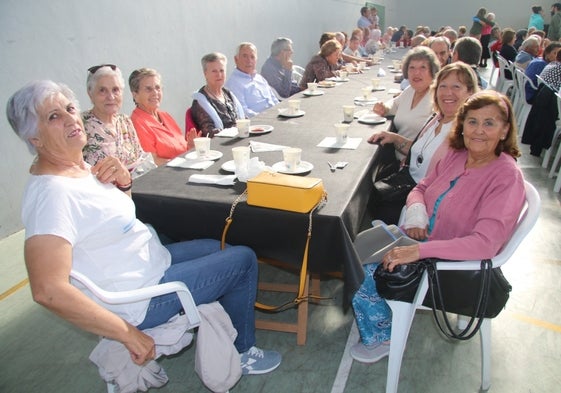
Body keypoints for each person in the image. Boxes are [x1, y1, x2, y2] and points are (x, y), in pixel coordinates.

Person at [6, 80, 282, 375]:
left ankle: (219, 330)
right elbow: (47, 290)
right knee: (243, 259)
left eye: (70, 108)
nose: (71, 119)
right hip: (141, 297)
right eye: (53, 117)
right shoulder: (51, 195)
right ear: (34, 138)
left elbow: (118, 221)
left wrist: (124, 183)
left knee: (221, 246)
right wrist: (126, 332)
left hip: (149, 265)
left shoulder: (78, 168)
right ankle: (242, 353)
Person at [350, 90, 525, 363]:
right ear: (462, 125)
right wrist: (417, 212)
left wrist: (419, 251)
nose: (479, 131)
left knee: (368, 274)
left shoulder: (506, 176)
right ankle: (385, 316)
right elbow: (421, 187)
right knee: (358, 246)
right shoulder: (457, 155)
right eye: (472, 122)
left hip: (455, 267)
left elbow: (485, 244)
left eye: (489, 123)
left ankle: (381, 337)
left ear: (504, 131)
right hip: (426, 242)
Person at [367, 63, 479, 224]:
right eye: (443, 86)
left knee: (376, 202)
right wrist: (395, 138)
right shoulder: (436, 118)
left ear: (470, 92)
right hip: (407, 182)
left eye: (456, 86)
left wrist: (417, 201)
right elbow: (421, 152)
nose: (448, 92)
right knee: (370, 189)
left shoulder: (466, 131)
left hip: (424, 197)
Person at [82, 64, 156, 179]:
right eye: (102, 90)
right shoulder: (81, 125)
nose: (110, 97)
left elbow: (142, 159)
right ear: (90, 94)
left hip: (135, 189)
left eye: (115, 90)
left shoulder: (125, 121)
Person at [372, 47, 440, 154]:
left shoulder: (437, 99)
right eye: (412, 68)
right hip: (398, 159)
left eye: (423, 67)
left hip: (414, 166)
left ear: (432, 71)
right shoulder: (410, 91)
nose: (416, 73)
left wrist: (396, 139)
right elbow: (394, 104)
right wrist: (384, 107)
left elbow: (431, 149)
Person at [129, 68, 197, 166]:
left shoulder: (165, 116)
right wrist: (183, 163)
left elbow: (179, 149)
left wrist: (190, 147)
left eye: (158, 88)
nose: (155, 93)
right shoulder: (137, 123)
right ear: (135, 95)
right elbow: (152, 162)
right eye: (148, 89)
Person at [191, 52, 245, 137]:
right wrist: (236, 130)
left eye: (221, 70)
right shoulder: (200, 102)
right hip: (221, 145)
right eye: (214, 71)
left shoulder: (228, 94)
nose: (219, 75)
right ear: (205, 73)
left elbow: (244, 119)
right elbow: (209, 133)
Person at [225, 42, 279, 118]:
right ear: (236, 59)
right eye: (245, 56)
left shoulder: (259, 78)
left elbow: (274, 100)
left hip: (274, 117)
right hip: (258, 123)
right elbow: (243, 112)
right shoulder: (233, 83)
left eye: (252, 57)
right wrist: (267, 117)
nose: (249, 60)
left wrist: (280, 112)